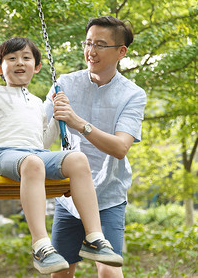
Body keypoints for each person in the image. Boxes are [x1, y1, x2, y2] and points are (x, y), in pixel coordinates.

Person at [0, 37, 123, 275]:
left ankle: (94, 238)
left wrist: (57, 116)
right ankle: (41, 246)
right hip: (3, 155)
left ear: (37, 66)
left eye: (26, 58)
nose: (19, 62)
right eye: (12, 58)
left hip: (36, 154)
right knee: (32, 163)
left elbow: (42, 142)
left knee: (77, 159)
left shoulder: (37, 102)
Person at [45, 16, 147, 278]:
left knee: (110, 271)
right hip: (69, 196)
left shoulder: (133, 94)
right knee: (61, 272)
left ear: (121, 52)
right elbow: (40, 134)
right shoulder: (65, 84)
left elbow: (120, 148)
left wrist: (78, 122)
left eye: (100, 44)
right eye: (88, 43)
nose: (91, 51)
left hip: (108, 196)